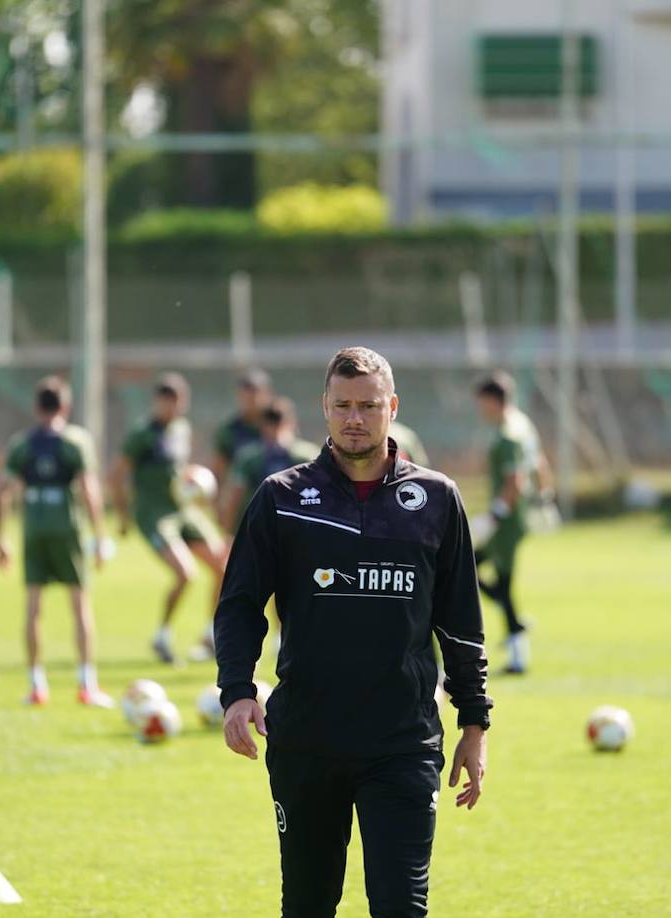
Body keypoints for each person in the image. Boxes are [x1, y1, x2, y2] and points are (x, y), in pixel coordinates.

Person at [215, 346, 492, 918]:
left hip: (403, 742)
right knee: (309, 906)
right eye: (342, 406)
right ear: (324, 408)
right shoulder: (282, 499)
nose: (355, 419)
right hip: (307, 739)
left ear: (392, 408)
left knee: (400, 906)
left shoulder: (437, 500)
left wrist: (474, 721)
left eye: (368, 406)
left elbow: (461, 621)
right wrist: (238, 690)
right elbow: (240, 604)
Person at [0, 376, 113, 707]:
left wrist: (1, 539)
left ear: (36, 407)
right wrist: (100, 537)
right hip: (67, 527)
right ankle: (87, 684)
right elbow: (89, 490)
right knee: (79, 606)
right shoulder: (74, 442)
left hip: (33, 526)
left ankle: (36, 685)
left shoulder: (22, 444)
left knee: (33, 607)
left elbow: (1, 491)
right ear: (65, 406)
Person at [111, 373, 227, 665]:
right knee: (185, 574)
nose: (174, 409)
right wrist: (124, 517)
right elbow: (116, 477)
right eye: (168, 403)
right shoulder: (142, 435)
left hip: (183, 511)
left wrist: (190, 479)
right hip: (154, 515)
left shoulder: (181, 429)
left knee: (224, 566)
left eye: (179, 403)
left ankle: (210, 636)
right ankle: (162, 635)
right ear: (157, 402)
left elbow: (176, 468)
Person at [473, 371, 553, 675]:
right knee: (480, 573)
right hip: (518, 517)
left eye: (482, 402)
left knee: (482, 574)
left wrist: (494, 515)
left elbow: (515, 480)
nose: (480, 409)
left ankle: (519, 651)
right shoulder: (522, 424)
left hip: (507, 520)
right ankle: (517, 632)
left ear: (493, 400)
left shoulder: (507, 434)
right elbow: (540, 462)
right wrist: (545, 497)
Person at [220, 397, 320, 531]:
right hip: (285, 527)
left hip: (270, 528)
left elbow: (233, 499)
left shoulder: (306, 456)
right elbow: (234, 497)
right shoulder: (251, 459)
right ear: (291, 423)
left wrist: (228, 534)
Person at [211, 368, 272, 494]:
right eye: (246, 396)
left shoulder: (277, 426)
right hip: (243, 503)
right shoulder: (230, 431)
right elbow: (219, 472)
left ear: (267, 395)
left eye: (256, 394)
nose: (251, 401)